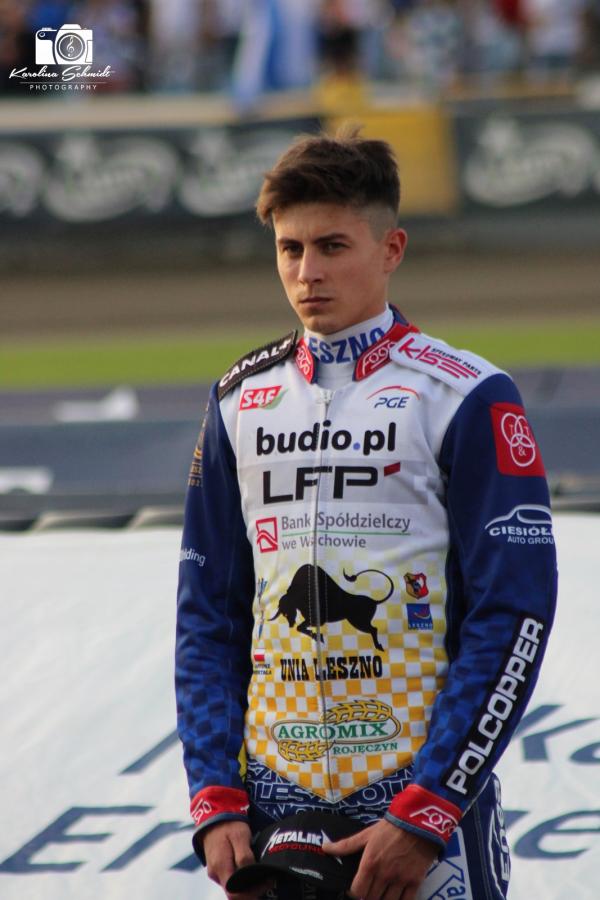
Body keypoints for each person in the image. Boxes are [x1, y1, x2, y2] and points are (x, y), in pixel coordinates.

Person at [175, 128, 557, 900]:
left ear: (391, 250)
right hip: (274, 799)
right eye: (289, 249)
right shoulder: (238, 399)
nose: (307, 272)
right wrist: (214, 796)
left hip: (418, 801)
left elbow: (514, 616)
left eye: (332, 246)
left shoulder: (468, 395)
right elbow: (207, 614)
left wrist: (430, 807)